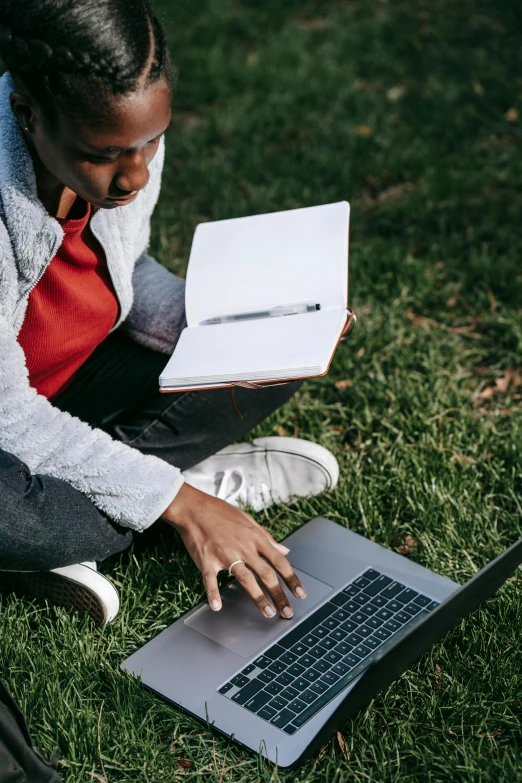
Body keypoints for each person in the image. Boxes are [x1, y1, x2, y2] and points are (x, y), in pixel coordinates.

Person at [0, 0, 340, 629]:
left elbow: (122, 276)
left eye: (151, 140)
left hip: (66, 389)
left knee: (274, 347)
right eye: (104, 154)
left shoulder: (123, 152)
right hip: (6, 426)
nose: (134, 175)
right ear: (27, 115)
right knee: (13, 514)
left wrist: (227, 319)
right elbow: (6, 414)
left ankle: (92, 518)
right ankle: (146, 497)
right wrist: (178, 502)